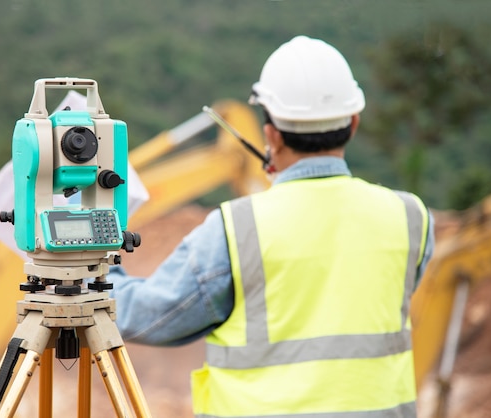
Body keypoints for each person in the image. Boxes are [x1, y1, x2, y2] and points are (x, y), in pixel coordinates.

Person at [108, 35, 435, 418]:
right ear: (354, 123)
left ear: (271, 134)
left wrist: (95, 260)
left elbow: (148, 317)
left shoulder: (236, 228)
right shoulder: (410, 216)